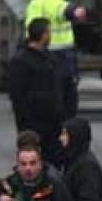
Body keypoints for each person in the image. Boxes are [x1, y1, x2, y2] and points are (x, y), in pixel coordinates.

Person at [24, 0, 87, 115]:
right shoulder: (52, 0)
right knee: (64, 95)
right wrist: (75, 12)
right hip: (58, 56)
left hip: (40, 52)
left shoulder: (38, 0)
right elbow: (61, 9)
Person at [7, 18, 65, 159]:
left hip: (52, 124)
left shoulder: (49, 59)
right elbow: (17, 94)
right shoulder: (21, 61)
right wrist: (25, 122)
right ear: (43, 35)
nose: (51, 36)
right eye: (49, 32)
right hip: (32, 124)